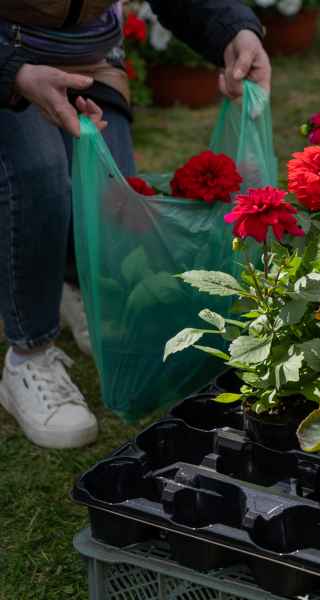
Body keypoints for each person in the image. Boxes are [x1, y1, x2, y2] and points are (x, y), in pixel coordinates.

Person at [0, 1, 272, 449]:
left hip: (89, 52)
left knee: (111, 198)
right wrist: (12, 72)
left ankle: (73, 285)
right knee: (37, 175)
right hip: (8, 49)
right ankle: (30, 355)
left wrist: (233, 29)